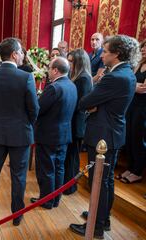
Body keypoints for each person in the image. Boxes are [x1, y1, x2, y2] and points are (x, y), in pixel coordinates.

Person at [70, 35, 139, 239]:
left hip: (103, 135)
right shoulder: (127, 73)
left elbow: (85, 102)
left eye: (106, 51)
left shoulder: (113, 77)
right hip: (113, 132)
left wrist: (94, 103)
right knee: (106, 181)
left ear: (116, 54)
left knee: (99, 181)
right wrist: (96, 103)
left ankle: (96, 226)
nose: (103, 55)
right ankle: (102, 218)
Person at [0, 38, 39, 226]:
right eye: (21, 52)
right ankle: (17, 214)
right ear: (14, 54)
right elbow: (34, 109)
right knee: (18, 175)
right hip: (20, 134)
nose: (23, 55)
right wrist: (26, 125)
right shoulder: (25, 78)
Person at [31, 57, 77, 209]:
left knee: (46, 169)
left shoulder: (53, 87)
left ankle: (46, 201)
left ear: (56, 70)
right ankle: (56, 199)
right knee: (59, 167)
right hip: (64, 134)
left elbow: (39, 108)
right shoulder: (71, 85)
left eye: (49, 68)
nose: (48, 71)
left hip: (48, 135)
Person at [63, 49, 92, 195]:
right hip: (72, 122)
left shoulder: (84, 79)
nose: (68, 64)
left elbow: (80, 104)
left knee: (72, 157)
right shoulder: (76, 76)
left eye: (71, 61)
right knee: (69, 156)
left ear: (79, 62)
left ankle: (70, 187)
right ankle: (66, 185)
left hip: (76, 124)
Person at [119, 39, 146, 184]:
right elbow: (133, 84)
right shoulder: (139, 64)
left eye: (145, 48)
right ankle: (130, 167)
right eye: (142, 47)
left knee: (138, 138)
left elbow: (143, 89)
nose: (143, 50)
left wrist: (134, 86)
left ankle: (137, 171)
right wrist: (135, 86)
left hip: (143, 108)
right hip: (132, 104)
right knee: (129, 137)